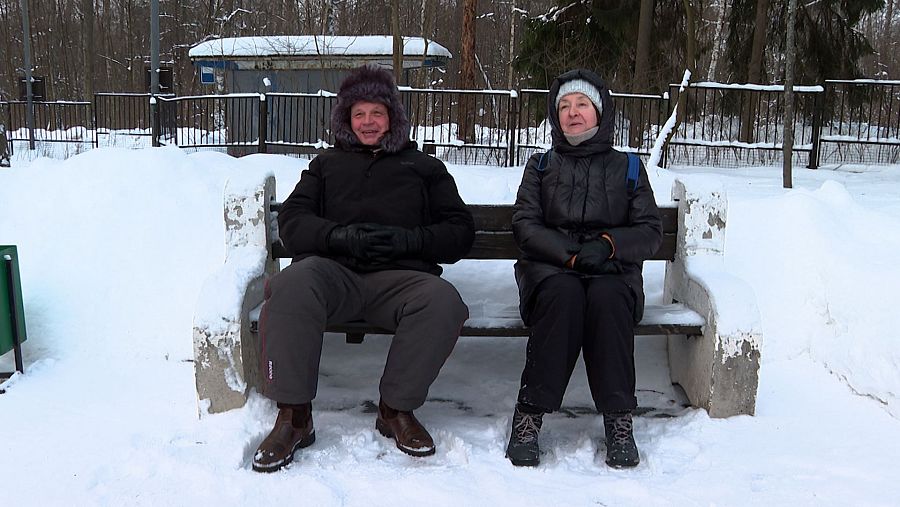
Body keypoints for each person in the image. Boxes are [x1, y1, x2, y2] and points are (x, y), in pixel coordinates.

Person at [252, 65, 475, 473]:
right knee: (290, 285)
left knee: (442, 301)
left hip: (400, 280)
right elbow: (293, 221)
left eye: (377, 113)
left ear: (393, 117)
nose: (368, 122)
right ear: (346, 119)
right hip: (333, 274)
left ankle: (396, 410)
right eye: (359, 114)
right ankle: (294, 417)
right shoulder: (325, 165)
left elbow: (460, 231)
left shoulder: (424, 167)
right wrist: (337, 236)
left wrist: (411, 241)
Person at [505, 69, 662, 469]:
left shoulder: (629, 167)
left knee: (608, 299)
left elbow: (650, 231)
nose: (573, 113)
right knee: (565, 295)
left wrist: (609, 245)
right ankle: (529, 415)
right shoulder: (541, 166)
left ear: (600, 112)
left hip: (613, 274)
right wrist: (570, 256)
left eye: (582, 104)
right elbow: (525, 225)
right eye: (564, 106)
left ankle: (619, 419)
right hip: (551, 273)